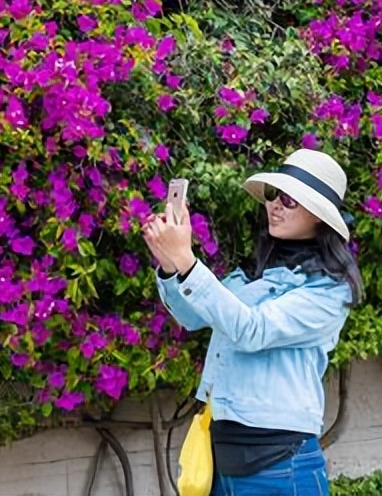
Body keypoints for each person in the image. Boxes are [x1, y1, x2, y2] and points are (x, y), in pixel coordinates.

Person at [142, 149, 362, 496]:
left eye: (289, 200)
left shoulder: (328, 291)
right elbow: (193, 316)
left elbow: (252, 330)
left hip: (279, 465)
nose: (274, 205)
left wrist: (186, 260)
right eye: (274, 195)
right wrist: (170, 264)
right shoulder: (251, 274)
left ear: (319, 216)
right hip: (221, 460)